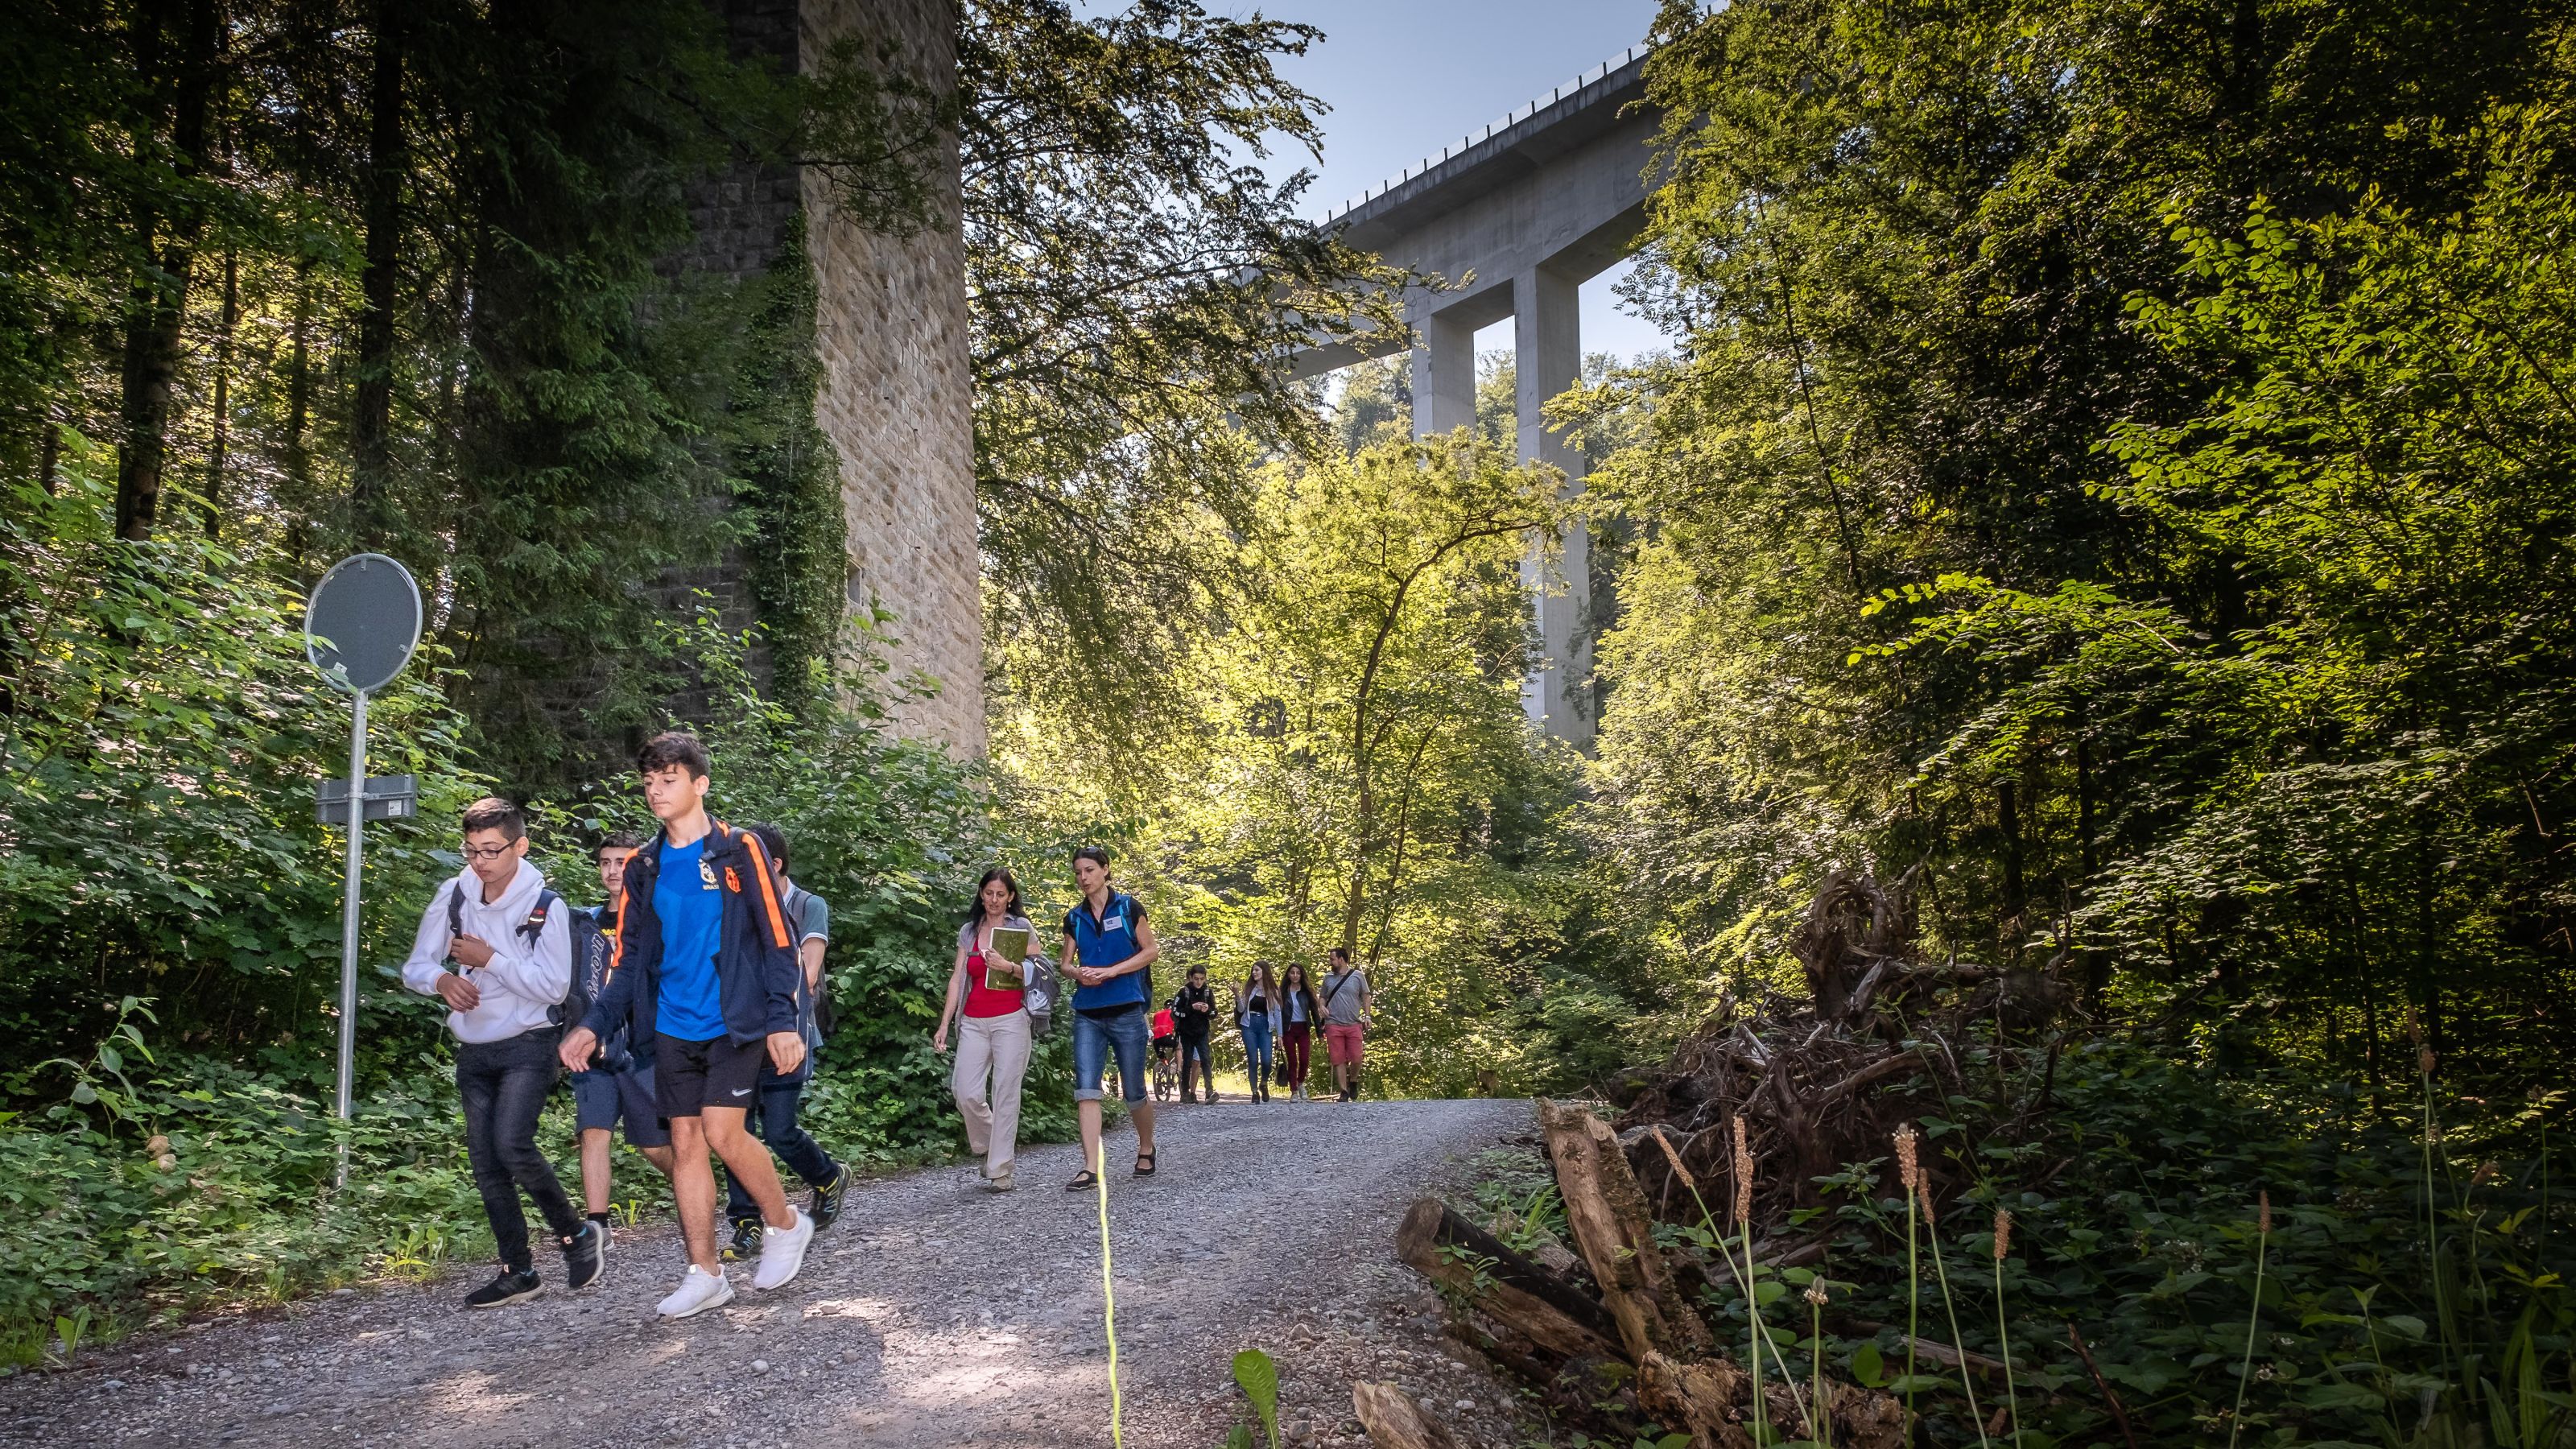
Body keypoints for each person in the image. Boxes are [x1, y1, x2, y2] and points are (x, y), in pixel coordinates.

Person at [558, 731, 813, 1319]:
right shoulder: (644, 867)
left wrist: (783, 1018)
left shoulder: (738, 849)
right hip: (672, 1024)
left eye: (668, 780)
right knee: (685, 1141)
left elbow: (780, 939)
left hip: (735, 1019)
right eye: (648, 782)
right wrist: (594, 1024)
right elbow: (630, 960)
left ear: (699, 784)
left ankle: (785, 1223)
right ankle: (705, 1272)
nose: (655, 791)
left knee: (724, 1133)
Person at [399, 797, 600, 1307]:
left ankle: (576, 1236)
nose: (480, 861)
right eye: (470, 851)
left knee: (513, 1145)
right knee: (487, 1163)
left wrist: (489, 960)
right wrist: (443, 980)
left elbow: (555, 988)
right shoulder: (454, 896)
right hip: (474, 1048)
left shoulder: (545, 906)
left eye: (490, 850)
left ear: (520, 846)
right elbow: (416, 967)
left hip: (529, 1043)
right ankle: (519, 1270)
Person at [719, 823, 853, 1260]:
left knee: (778, 1130)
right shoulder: (731, 904)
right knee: (736, 1132)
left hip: (787, 1033)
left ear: (771, 864)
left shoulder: (807, 906)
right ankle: (746, 1224)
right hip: (737, 1037)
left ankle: (828, 1175)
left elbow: (807, 973)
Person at [571, 833, 674, 1243]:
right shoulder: (584, 923)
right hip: (596, 1045)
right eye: (605, 862)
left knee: (652, 1144)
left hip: (642, 1047)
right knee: (593, 1131)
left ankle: (692, 1181)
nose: (612, 870)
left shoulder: (652, 921)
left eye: (621, 862)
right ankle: (598, 1223)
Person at [932, 867, 1045, 1192]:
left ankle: (1000, 1170)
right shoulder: (969, 931)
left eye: (1000, 894)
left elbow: (1041, 970)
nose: (994, 900)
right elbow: (957, 978)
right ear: (981, 894)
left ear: (1010, 897)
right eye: (988, 893)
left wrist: (1008, 966)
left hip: (1012, 1019)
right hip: (972, 1021)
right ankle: (990, 1144)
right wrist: (944, 1024)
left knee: (1006, 1094)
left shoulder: (1020, 927)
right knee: (965, 1092)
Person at [1057, 845, 1160, 1190]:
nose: (1082, 878)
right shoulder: (1073, 917)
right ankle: (1090, 1167)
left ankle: (1146, 1147)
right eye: (1077, 873)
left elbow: (1151, 951)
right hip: (1088, 1012)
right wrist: (1078, 974)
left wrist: (1113, 971)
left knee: (1133, 1091)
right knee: (1086, 1088)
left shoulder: (1129, 907)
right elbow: (1065, 963)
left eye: (1088, 870)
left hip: (1128, 1009)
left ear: (1105, 870)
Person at [1320, 947, 1373, 1102]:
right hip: (1333, 1024)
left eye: (1332, 959)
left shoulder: (1358, 976)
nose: (1330, 961)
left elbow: (1366, 995)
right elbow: (1322, 997)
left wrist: (1367, 1015)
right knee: (1338, 1059)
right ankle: (1343, 1091)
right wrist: (1321, 1006)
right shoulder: (1328, 978)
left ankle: (1354, 1081)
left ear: (1341, 959)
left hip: (1353, 1023)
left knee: (1357, 1057)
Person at [1169, 965, 1219, 1103]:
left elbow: (1215, 1013)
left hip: (1202, 1031)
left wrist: (1207, 1010)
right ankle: (1185, 1092)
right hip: (1186, 1032)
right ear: (1190, 978)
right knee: (1188, 1062)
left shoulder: (1208, 992)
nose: (1198, 982)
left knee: (1205, 1060)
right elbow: (1175, 1012)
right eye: (1196, 979)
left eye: (1202, 979)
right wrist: (1192, 1008)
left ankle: (1209, 1091)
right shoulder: (1183, 992)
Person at [1236, 961, 1282, 1104]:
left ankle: (1264, 1082)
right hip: (1249, 1025)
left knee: (1267, 1060)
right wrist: (1237, 994)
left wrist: (1280, 1035)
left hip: (1265, 1026)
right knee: (1253, 1059)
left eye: (1257, 970)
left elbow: (1277, 1013)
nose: (1254, 973)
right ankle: (1254, 1091)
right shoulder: (1249, 989)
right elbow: (1241, 1009)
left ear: (1264, 972)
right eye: (1253, 971)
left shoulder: (1273, 991)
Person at [1277, 960, 1322, 1102]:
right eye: (1292, 973)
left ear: (1301, 975)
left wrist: (1320, 1032)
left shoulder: (1306, 991)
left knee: (1304, 1059)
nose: (1295, 975)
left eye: (1298, 973)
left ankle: (1301, 1082)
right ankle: (1294, 1091)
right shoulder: (1283, 992)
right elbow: (1277, 1013)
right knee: (1292, 1060)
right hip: (1288, 1030)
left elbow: (1315, 1012)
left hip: (1303, 1029)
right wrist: (1278, 1033)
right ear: (1288, 975)